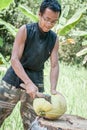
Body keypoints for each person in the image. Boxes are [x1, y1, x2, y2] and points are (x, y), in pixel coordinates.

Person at [0, 0, 61, 129]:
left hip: (36, 81)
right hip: (13, 79)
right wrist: (27, 83)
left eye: (54, 21)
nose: (49, 24)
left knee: (34, 124)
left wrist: (53, 89)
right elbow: (14, 60)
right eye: (47, 19)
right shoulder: (26, 30)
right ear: (39, 14)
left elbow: (54, 65)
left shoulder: (54, 39)